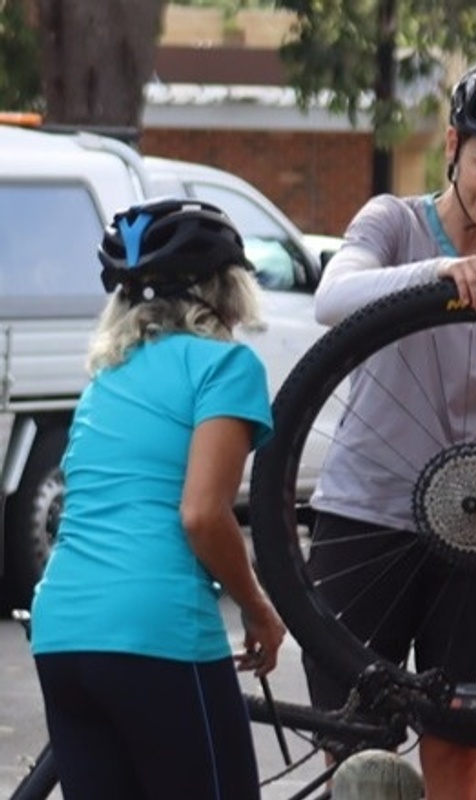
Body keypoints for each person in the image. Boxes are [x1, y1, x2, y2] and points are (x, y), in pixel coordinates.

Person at [301, 45, 476, 800]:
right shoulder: (393, 222)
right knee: (357, 756)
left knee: (463, 748)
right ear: (453, 145)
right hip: (365, 512)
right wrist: (439, 273)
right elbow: (333, 298)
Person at [30, 198, 285, 799]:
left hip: (62, 632)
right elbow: (202, 514)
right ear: (227, 288)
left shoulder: (105, 380)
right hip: (156, 631)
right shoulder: (225, 367)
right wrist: (258, 608)